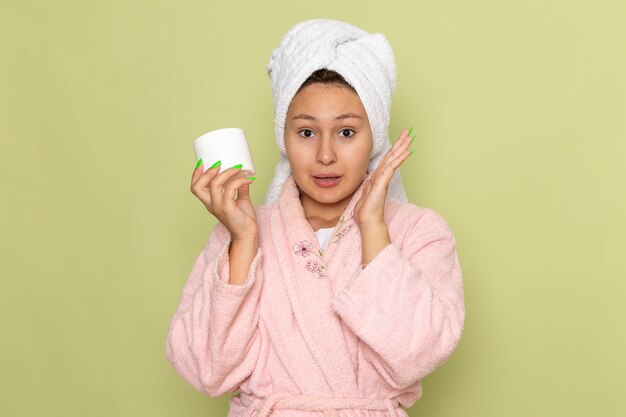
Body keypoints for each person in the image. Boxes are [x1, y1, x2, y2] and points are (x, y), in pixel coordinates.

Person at [165, 18, 465, 417]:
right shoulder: (239, 236)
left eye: (346, 133)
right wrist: (243, 239)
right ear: (284, 139)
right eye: (307, 133)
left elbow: (417, 354)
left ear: (373, 137)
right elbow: (208, 371)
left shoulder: (419, 232)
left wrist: (373, 225)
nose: (325, 155)